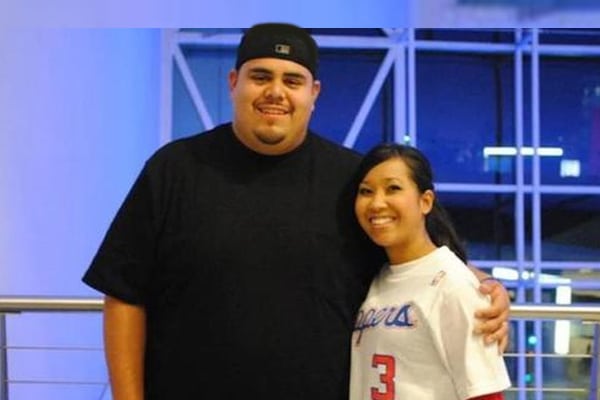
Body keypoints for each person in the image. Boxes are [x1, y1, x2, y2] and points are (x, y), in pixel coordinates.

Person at [82, 23, 510, 400]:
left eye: (292, 80)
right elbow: (124, 294)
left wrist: (485, 286)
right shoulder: (174, 169)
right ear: (233, 82)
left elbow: (414, 253)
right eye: (260, 76)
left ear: (314, 93)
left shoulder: (353, 182)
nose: (276, 92)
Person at [350, 143, 511, 400]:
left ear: (425, 201)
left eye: (393, 188)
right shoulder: (380, 277)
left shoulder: (453, 283)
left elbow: (484, 394)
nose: (377, 203)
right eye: (366, 191)